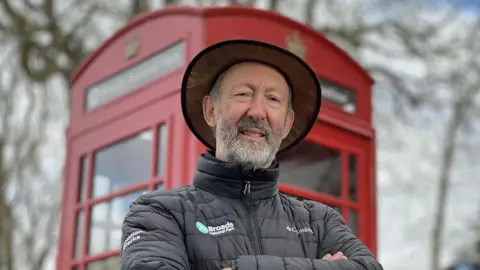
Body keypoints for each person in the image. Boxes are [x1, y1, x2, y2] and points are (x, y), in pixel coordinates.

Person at [119, 39, 383, 270]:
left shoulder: (320, 220)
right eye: (243, 94)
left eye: (273, 100)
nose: (257, 111)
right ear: (211, 111)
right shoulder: (158, 212)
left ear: (287, 123)